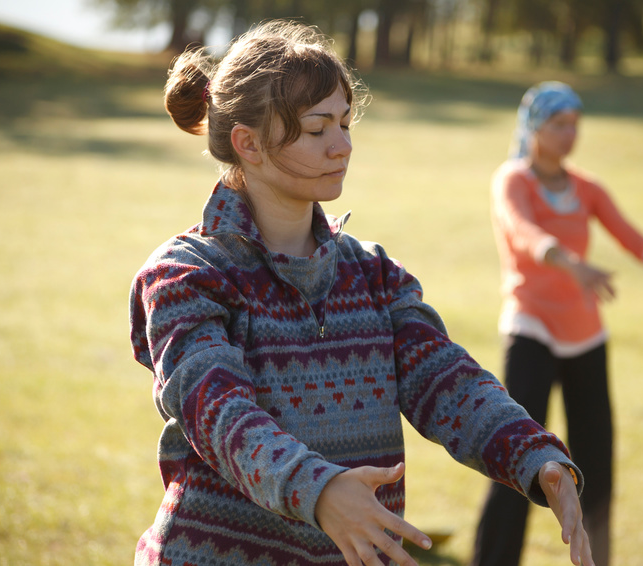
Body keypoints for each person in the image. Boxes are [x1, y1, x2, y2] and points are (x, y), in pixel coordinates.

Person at [129, 22, 596, 566]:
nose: (343, 144)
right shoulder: (187, 275)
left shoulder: (373, 274)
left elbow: (447, 380)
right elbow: (219, 414)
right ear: (248, 143)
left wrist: (535, 456)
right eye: (317, 128)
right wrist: (320, 491)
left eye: (346, 123)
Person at [470, 81, 643, 566]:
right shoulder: (513, 179)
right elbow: (524, 233)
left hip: (585, 334)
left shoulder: (586, 186)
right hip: (530, 329)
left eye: (575, 125)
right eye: (560, 124)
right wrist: (571, 263)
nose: (571, 134)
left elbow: (626, 231)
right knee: (516, 454)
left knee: (596, 461)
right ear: (535, 128)